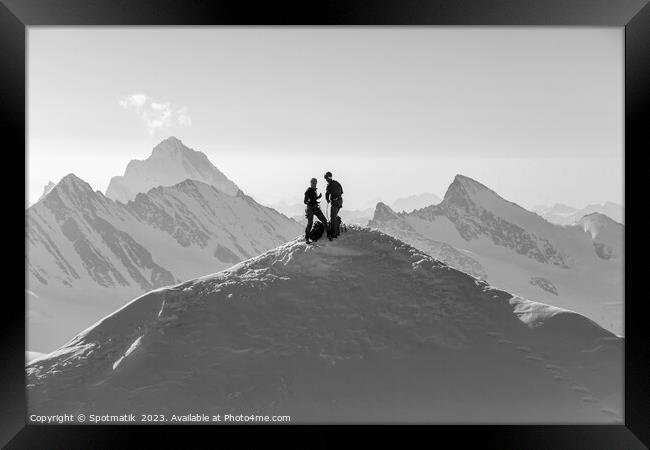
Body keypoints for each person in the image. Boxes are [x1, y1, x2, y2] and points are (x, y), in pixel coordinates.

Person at [304, 177, 329, 243]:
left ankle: (328, 234)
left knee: (324, 220)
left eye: (315, 183)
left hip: (314, 207)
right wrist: (310, 202)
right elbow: (305, 201)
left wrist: (318, 197)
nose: (314, 184)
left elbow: (313, 199)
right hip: (311, 208)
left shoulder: (314, 190)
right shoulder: (308, 191)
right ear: (311, 183)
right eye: (313, 183)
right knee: (310, 223)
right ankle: (307, 238)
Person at [324, 171, 343, 238]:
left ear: (327, 178)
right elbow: (341, 191)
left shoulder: (329, 185)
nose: (326, 180)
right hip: (340, 201)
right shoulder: (337, 183)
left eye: (326, 178)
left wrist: (328, 200)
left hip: (335, 202)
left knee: (333, 217)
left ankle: (334, 233)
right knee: (334, 216)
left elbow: (327, 194)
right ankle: (337, 230)